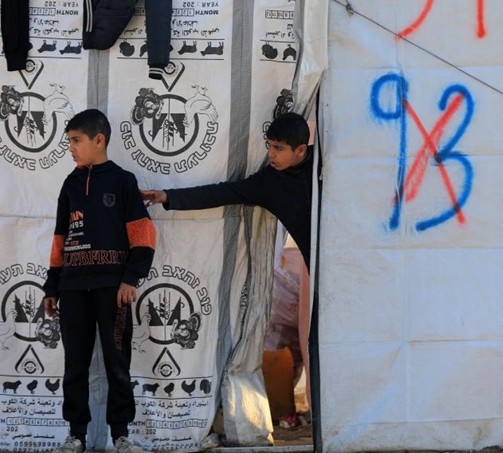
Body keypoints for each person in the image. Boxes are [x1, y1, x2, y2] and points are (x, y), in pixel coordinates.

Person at [43, 109, 156, 453]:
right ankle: (76, 435)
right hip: (73, 288)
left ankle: (121, 435)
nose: (71, 149)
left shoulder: (123, 181)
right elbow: (60, 239)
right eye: (69, 142)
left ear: (99, 140)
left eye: (76, 141)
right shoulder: (70, 183)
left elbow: (144, 235)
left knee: (116, 362)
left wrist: (131, 278)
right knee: (74, 364)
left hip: (114, 290)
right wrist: (52, 285)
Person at [140, 111, 313, 269]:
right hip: (322, 276)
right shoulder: (271, 182)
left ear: (300, 150)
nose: (271, 154)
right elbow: (221, 193)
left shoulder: (328, 165)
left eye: (279, 148)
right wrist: (168, 196)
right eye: (270, 146)